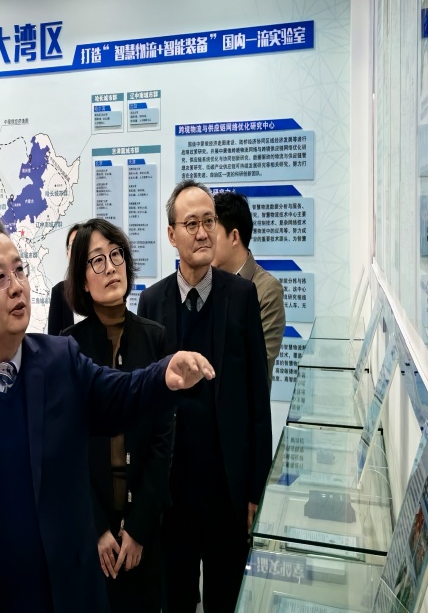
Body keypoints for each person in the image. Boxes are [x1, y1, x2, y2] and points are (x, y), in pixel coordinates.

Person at [0, 218, 213, 613]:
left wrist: (163, 376)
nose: (17, 286)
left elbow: (119, 395)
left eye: (19, 270)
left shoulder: (61, 361)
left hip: (69, 596)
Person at [137, 180, 272, 613]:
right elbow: (145, 401)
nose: (201, 233)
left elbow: (258, 399)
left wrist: (257, 491)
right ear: (171, 233)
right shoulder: (152, 302)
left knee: (225, 600)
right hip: (172, 491)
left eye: (208, 222)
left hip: (227, 489)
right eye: (190, 223)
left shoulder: (242, 296)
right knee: (175, 600)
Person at [61, 218, 172, 613]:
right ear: (82, 279)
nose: (110, 268)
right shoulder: (68, 348)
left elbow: (163, 441)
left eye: (116, 255)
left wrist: (138, 529)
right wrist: (97, 529)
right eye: (97, 261)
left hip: (144, 530)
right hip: (92, 532)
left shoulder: (155, 337)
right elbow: (67, 449)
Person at [213, 190, 286, 383]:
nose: (205, 241)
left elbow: (259, 363)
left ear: (234, 237)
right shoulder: (205, 284)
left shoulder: (267, 290)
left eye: (212, 234)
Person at [47, 222, 83, 334]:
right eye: (72, 245)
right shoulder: (59, 291)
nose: (76, 250)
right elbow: (52, 338)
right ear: (68, 252)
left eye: (80, 244)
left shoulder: (98, 288)